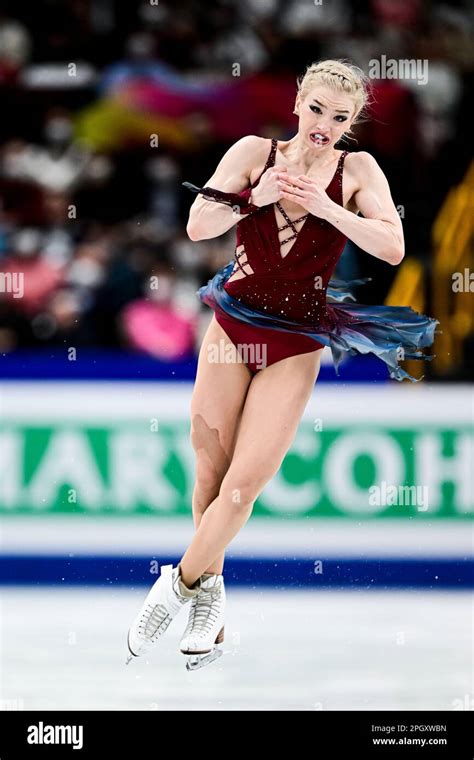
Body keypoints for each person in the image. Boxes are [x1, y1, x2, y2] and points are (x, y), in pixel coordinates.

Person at [126, 60, 438, 670]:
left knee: (243, 487)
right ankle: (210, 601)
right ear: (299, 102)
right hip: (232, 322)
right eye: (317, 109)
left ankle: (177, 587)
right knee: (209, 481)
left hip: (297, 339)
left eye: (340, 117)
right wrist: (253, 198)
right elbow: (196, 226)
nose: (325, 124)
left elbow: (392, 246)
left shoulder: (358, 170)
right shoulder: (252, 151)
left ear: (352, 123)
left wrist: (327, 208)